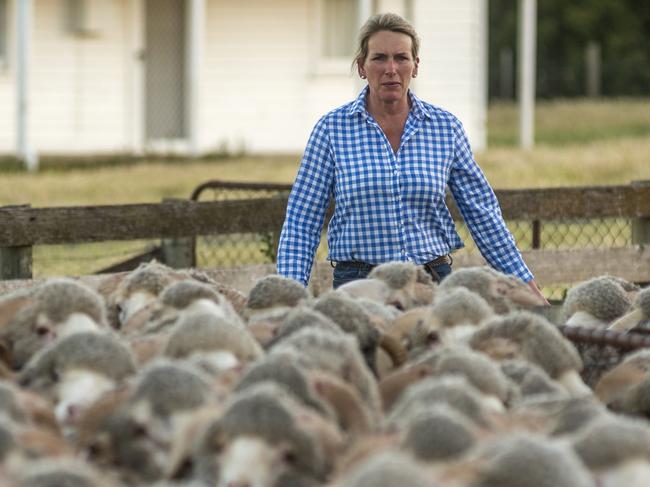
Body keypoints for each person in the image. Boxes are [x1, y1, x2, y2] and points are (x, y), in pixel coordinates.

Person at [277, 12, 548, 304]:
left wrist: (524, 285)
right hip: (359, 287)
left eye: (401, 58)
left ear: (415, 66)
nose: (391, 69)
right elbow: (301, 221)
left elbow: (483, 214)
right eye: (379, 58)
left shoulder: (445, 128)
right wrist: (286, 299)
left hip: (432, 283)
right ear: (362, 67)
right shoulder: (332, 130)